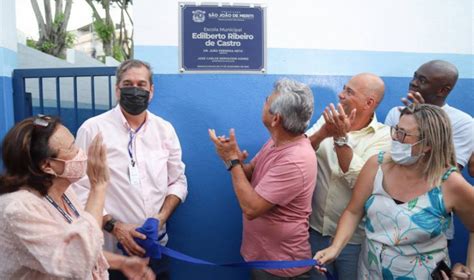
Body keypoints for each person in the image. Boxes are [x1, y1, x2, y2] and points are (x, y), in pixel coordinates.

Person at [314, 104, 474, 279]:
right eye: (396, 130)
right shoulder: (376, 165)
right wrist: (335, 247)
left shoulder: (449, 183)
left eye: (404, 135)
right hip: (370, 272)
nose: (395, 138)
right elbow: (353, 211)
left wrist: (470, 269)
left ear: (428, 144)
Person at [73, 59, 188, 279]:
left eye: (141, 84)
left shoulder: (165, 130)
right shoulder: (92, 129)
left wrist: (160, 218)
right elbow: (78, 188)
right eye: (128, 84)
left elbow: (178, 181)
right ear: (117, 90)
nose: (135, 90)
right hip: (110, 253)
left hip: (156, 248)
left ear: (151, 90)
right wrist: (115, 226)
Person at [0, 116, 154, 280]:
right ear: (47, 165)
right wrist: (98, 186)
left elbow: (71, 245)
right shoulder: (18, 209)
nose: (81, 152)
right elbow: (77, 258)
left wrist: (121, 263)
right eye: (72, 147)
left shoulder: (64, 192)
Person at [209, 78, 317, 280]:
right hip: (263, 257)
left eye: (267, 100)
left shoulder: (296, 159)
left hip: (282, 267)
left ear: (276, 119)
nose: (264, 102)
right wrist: (234, 159)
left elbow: (251, 208)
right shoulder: (278, 142)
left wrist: (232, 161)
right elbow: (251, 172)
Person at [305, 73, 390, 279]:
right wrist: (323, 133)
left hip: (354, 241)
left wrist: (341, 139)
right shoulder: (328, 122)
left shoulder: (384, 137)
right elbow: (300, 151)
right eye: (343, 89)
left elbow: (362, 184)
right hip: (314, 232)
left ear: (368, 102)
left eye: (349, 92)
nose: (341, 95)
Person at [385, 60, 473, 170]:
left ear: (442, 90)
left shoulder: (463, 122)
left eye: (422, 80)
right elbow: (385, 156)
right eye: (415, 77)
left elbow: (449, 172)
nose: (413, 82)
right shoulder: (397, 112)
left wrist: (426, 118)